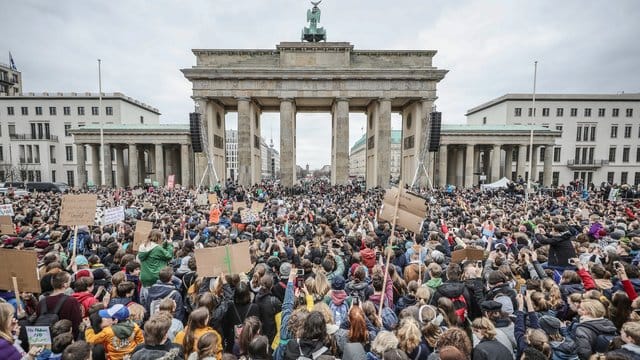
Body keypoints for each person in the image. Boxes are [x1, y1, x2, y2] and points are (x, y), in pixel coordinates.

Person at [36, 271, 83, 338]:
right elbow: (77, 324)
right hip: (67, 340)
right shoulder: (71, 301)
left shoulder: (41, 302)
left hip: (47, 340)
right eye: (70, 281)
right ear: (65, 284)